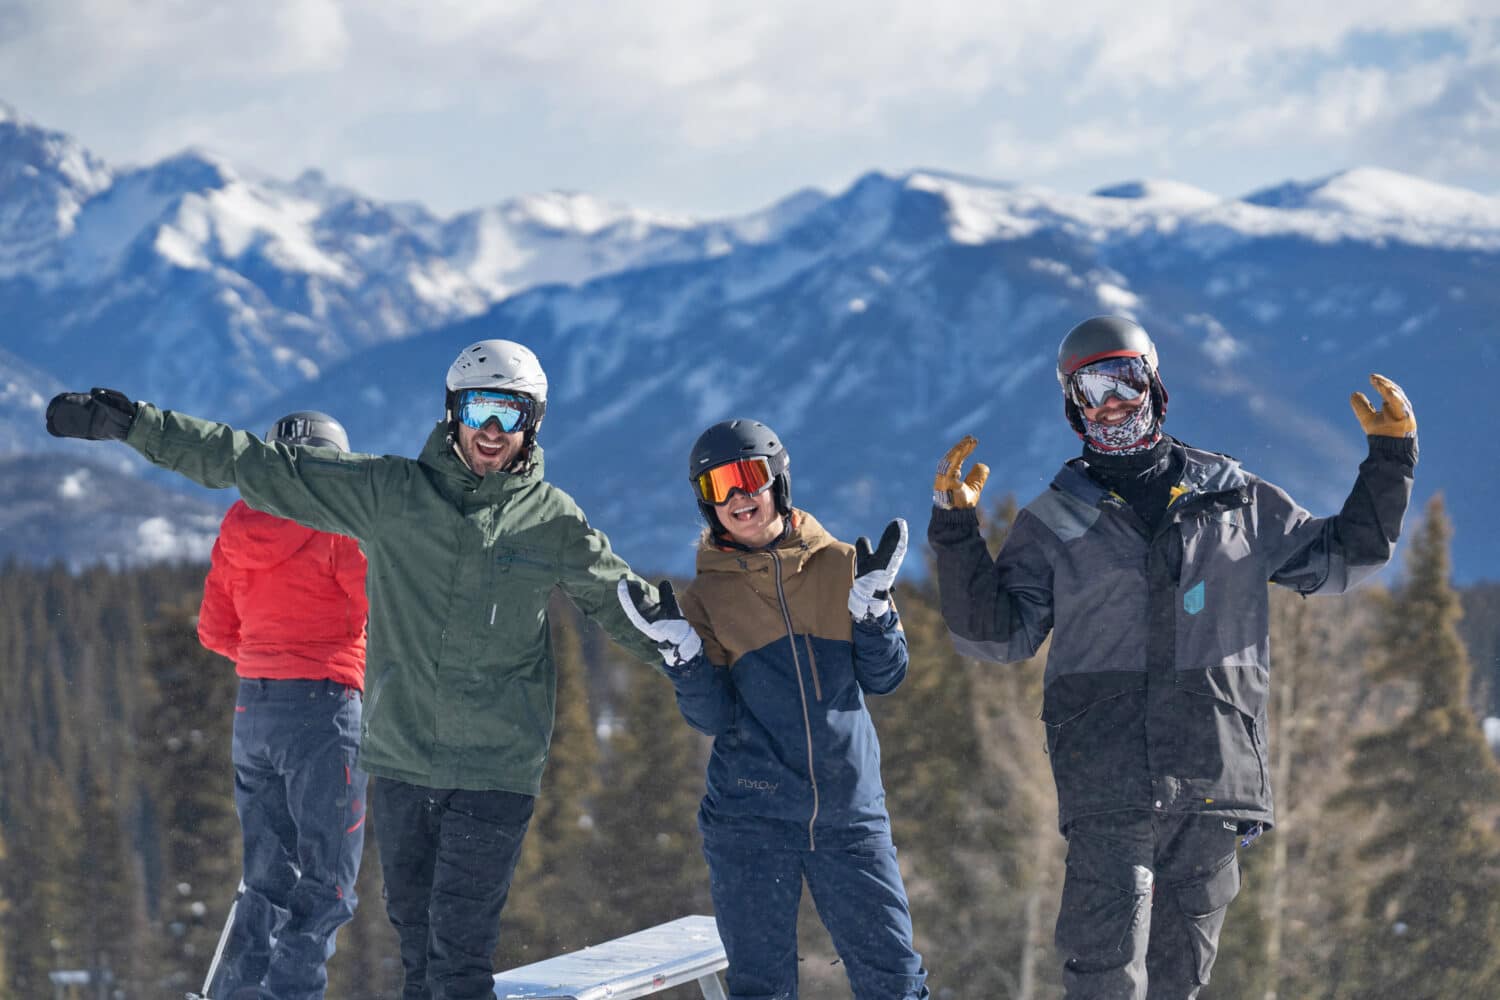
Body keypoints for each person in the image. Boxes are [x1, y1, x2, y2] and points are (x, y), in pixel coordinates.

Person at [44, 340, 663, 1000]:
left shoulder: (549, 522)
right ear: (453, 411)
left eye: (509, 415)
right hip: (377, 746)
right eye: (480, 408)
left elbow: (623, 601)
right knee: (385, 927)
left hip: (437, 756)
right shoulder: (387, 498)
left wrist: (706, 653)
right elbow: (245, 461)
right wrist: (134, 423)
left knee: (429, 946)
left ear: (532, 423)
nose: (491, 430)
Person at [926, 315, 1418, 1000]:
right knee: (1105, 971)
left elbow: (1345, 557)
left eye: (1123, 380)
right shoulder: (1056, 519)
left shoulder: (1236, 498)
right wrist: (954, 533)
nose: (1111, 404)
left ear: (1154, 386)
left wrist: (1390, 461)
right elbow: (996, 635)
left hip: (1214, 768)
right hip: (1107, 773)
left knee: (1179, 977)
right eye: (1091, 391)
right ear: (1073, 410)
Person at [617, 418, 931, 1000]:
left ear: (778, 481)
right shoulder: (704, 599)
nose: (738, 497)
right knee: (761, 988)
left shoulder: (843, 566)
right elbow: (710, 718)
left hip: (849, 813)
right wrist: (683, 656)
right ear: (706, 503)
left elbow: (887, 676)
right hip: (751, 819)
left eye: (749, 476)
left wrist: (874, 614)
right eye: (719, 487)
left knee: (894, 982)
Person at [196, 410, 369, 1000]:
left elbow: (215, 630)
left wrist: (271, 643)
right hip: (322, 708)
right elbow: (385, 611)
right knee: (330, 882)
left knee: (266, 877)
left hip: (254, 711)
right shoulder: (342, 527)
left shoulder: (239, 526)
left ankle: (235, 993)